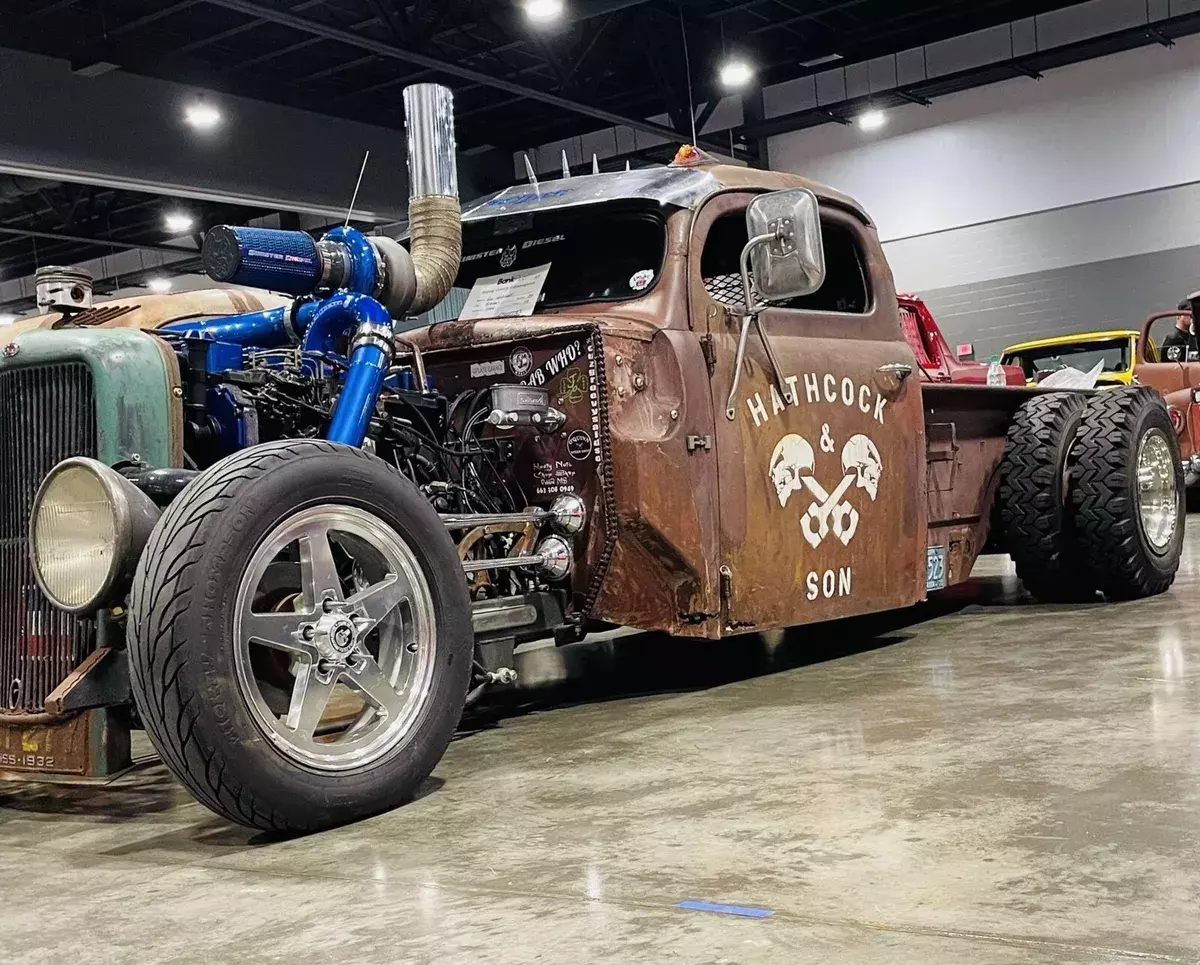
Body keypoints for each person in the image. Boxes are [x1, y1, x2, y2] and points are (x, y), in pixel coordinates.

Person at [1160, 295, 1198, 362]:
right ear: (1178, 316)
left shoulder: (1191, 335)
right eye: (1188, 311)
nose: (1191, 316)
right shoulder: (1173, 338)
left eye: (1193, 312)